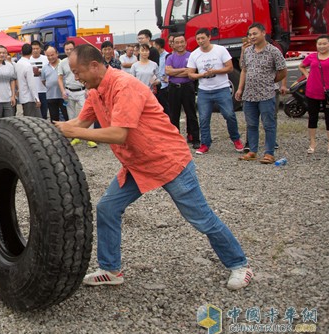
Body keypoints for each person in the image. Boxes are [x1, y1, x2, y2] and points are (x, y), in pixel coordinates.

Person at [54, 44, 252, 290]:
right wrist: (49, 130)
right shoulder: (95, 91)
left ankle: (239, 264)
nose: (75, 77)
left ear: (94, 66)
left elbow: (119, 134)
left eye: (77, 71)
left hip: (168, 161)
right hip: (137, 165)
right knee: (107, 208)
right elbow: (81, 121)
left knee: (200, 218)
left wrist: (72, 131)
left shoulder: (124, 86)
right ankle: (110, 269)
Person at [235, 23, 287, 164]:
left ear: (263, 33)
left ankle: (269, 153)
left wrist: (271, 80)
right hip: (249, 95)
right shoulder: (247, 51)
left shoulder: (273, 51)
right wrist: (240, 89)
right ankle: (252, 151)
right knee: (251, 124)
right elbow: (244, 70)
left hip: (266, 94)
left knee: (268, 124)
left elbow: (282, 70)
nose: (252, 37)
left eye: (255, 34)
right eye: (250, 34)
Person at [187, 28, 244, 155]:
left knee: (229, 114)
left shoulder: (220, 50)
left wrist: (215, 72)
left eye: (203, 38)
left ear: (209, 38)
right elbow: (190, 74)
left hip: (222, 88)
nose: (201, 41)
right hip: (204, 91)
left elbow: (229, 68)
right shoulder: (194, 54)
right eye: (198, 39)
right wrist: (201, 75)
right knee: (203, 118)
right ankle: (205, 144)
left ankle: (236, 139)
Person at [300, 34, 329, 155]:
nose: (322, 46)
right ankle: (312, 143)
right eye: (319, 44)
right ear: (316, 45)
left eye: (325, 43)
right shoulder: (312, 57)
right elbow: (302, 66)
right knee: (312, 117)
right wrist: (308, 76)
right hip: (312, 91)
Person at [165, 33, 200, 149]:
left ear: (185, 43)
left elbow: (190, 72)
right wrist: (184, 70)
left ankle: (195, 139)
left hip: (187, 87)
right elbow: (168, 72)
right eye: (177, 42)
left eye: (181, 42)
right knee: (174, 115)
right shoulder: (170, 57)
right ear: (173, 45)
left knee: (191, 114)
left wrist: (177, 71)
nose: (179, 44)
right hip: (174, 88)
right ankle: (175, 139)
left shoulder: (191, 56)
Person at [42, 45, 68, 122]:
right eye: (48, 56)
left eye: (52, 55)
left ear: (57, 53)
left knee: (66, 116)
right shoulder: (45, 67)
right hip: (51, 96)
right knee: (54, 119)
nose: (50, 57)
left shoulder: (63, 64)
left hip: (63, 96)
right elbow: (43, 81)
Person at [15, 43, 41, 117]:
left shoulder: (18, 63)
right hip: (30, 98)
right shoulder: (28, 65)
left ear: (21, 52)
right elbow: (31, 84)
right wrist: (36, 98)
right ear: (31, 52)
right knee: (35, 121)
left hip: (23, 96)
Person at [29, 41, 49, 118]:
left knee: (44, 113)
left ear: (40, 49)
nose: (35, 50)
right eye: (33, 48)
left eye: (37, 48)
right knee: (34, 114)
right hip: (33, 91)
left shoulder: (45, 59)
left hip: (44, 90)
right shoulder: (28, 60)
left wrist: (41, 72)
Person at [154, 37, 170, 115]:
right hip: (157, 84)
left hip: (165, 84)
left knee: (166, 106)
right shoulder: (155, 56)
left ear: (158, 46)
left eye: (154, 45)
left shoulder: (167, 56)